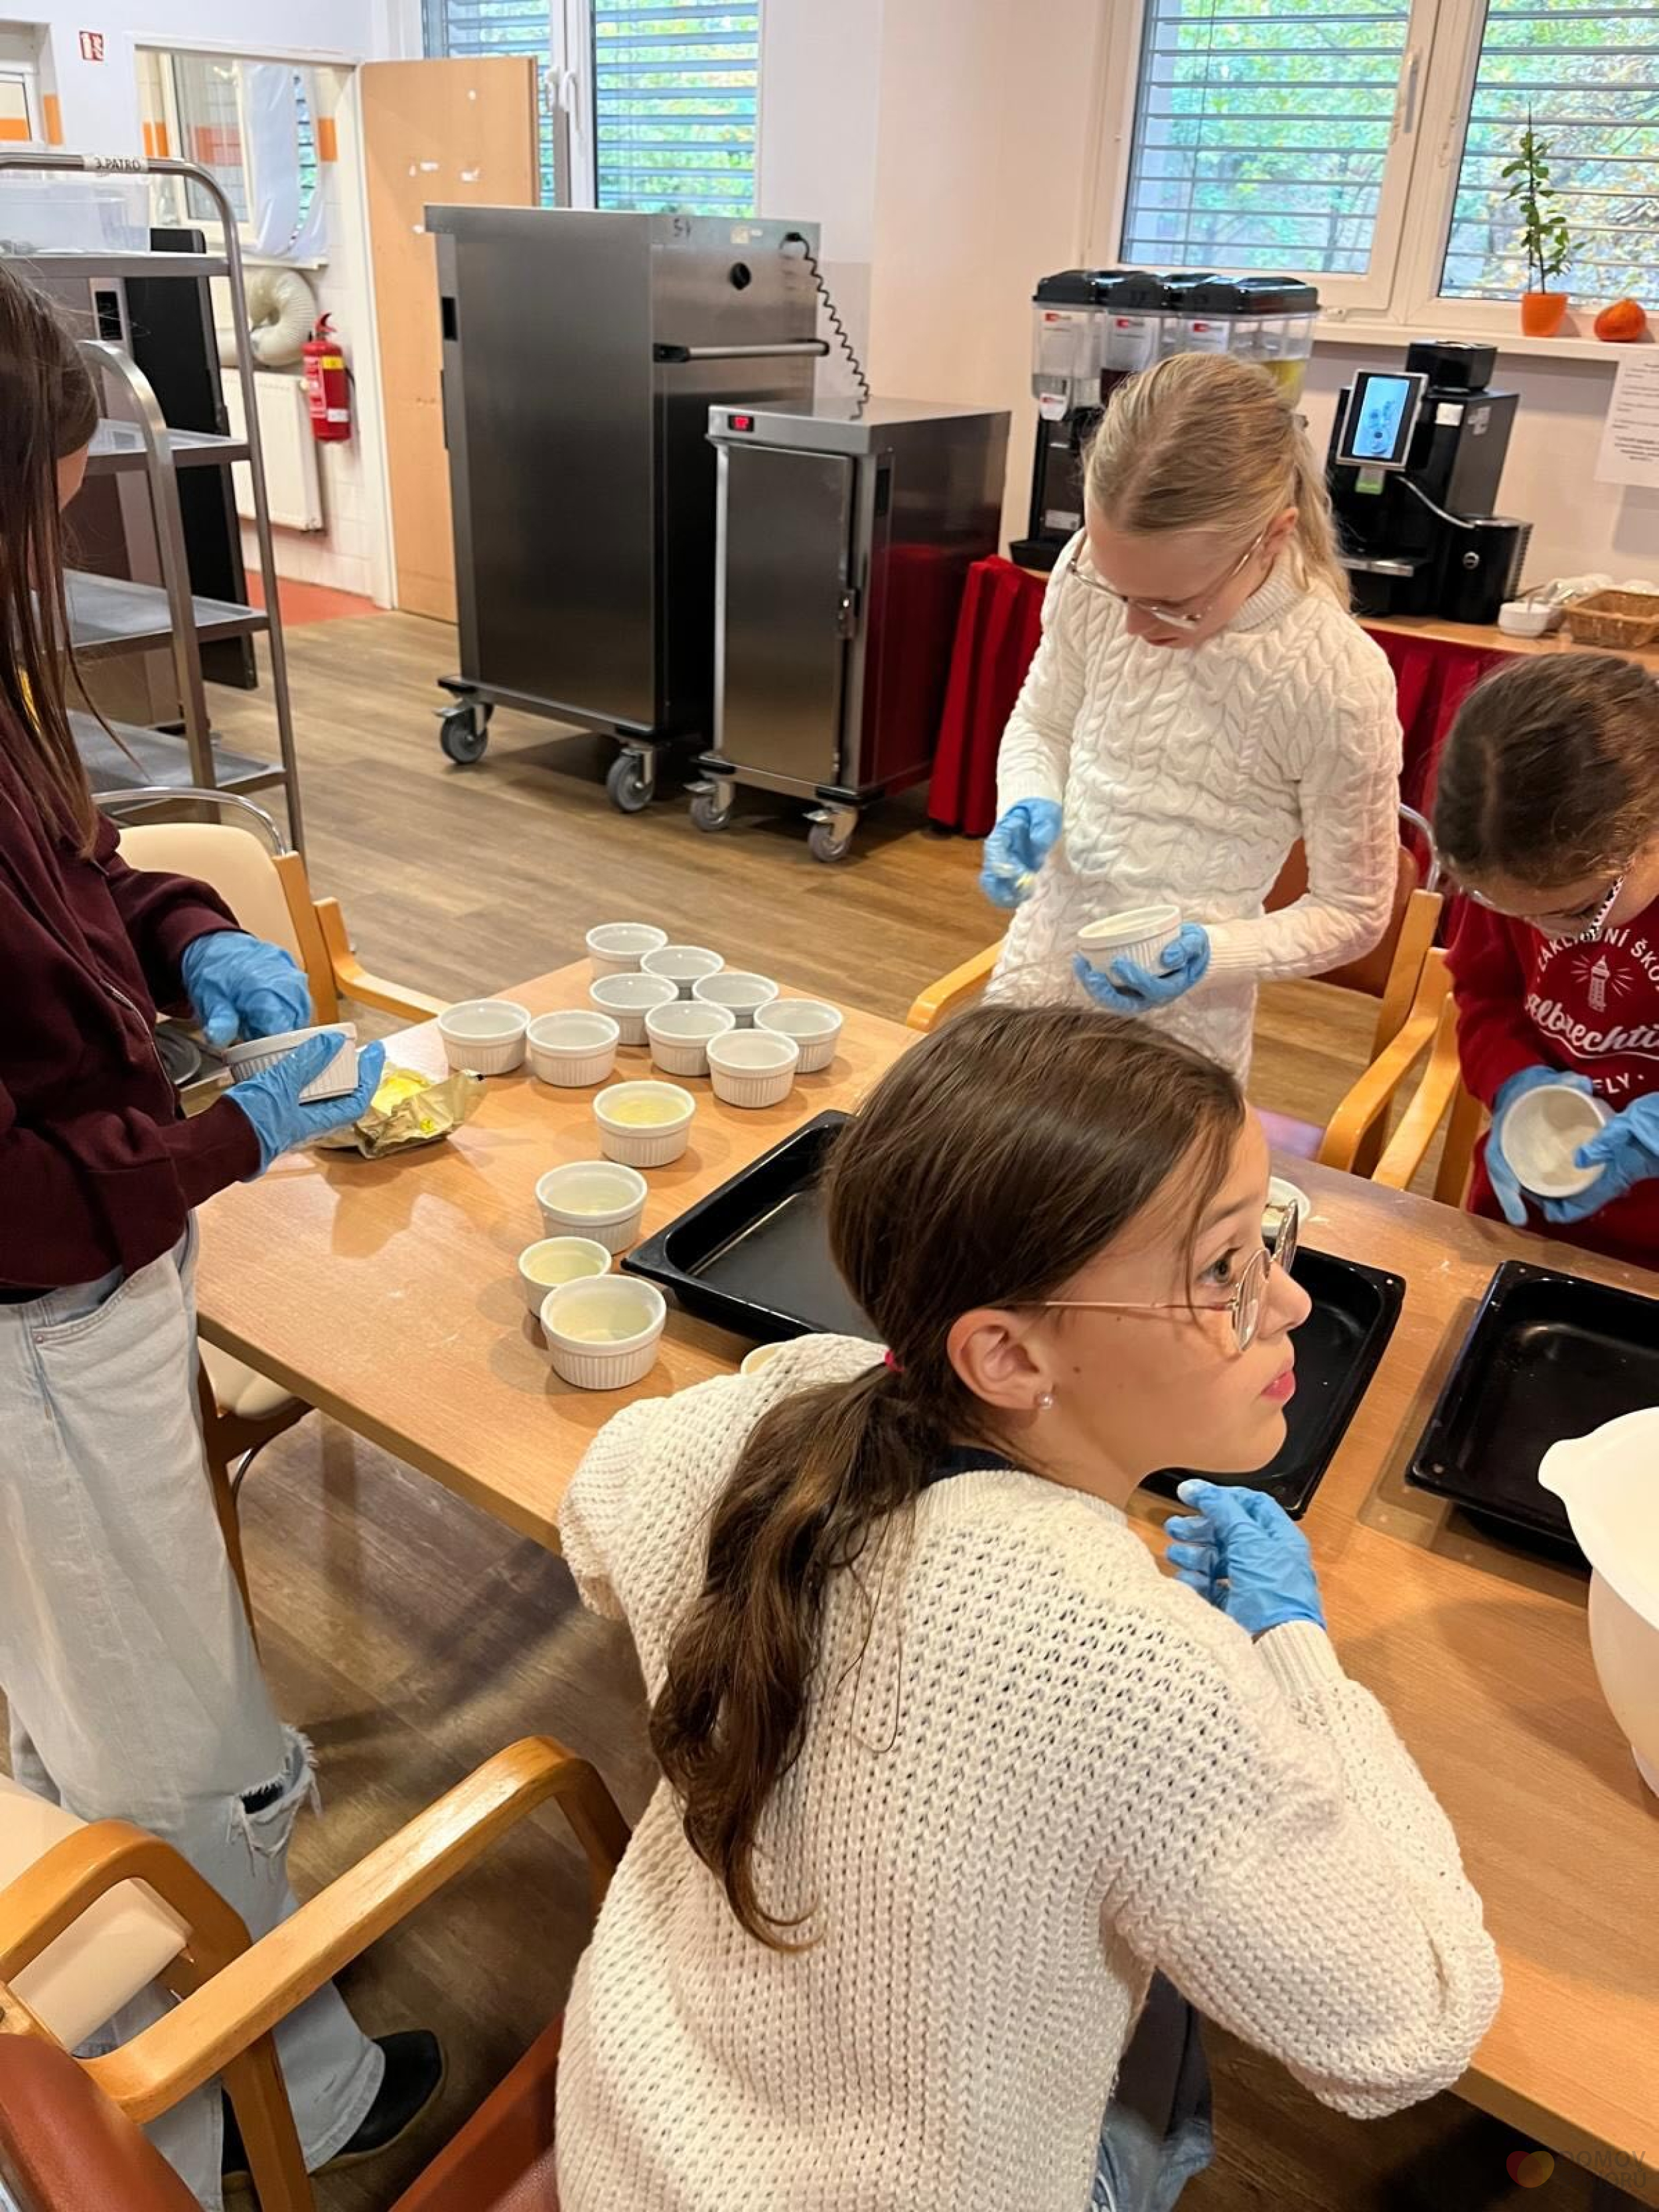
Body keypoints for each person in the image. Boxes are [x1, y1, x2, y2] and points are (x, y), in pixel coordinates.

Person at [554, 1005, 1501, 2212]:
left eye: (1267, 1239)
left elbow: (595, 1520)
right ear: (1005, 1356)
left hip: (631, 2127)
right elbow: (1413, 2027)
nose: (1292, 1306)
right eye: (1223, 1270)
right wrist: (1295, 1654)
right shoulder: (1146, 1674)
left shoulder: (772, 1409)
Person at [0, 265, 439, 2209]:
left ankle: (239, 2085)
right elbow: (20, 1198)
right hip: (39, 1331)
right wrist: (228, 1133)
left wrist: (191, 937)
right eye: (49, 496)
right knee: (168, 1738)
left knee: (100, 1701)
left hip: (83, 1305)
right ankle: (210, 2138)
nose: (64, 532)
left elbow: (83, 873)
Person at [979, 352, 1402, 1084]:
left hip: (1183, 1031)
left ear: (1273, 537)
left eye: (1172, 605)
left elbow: (1354, 911)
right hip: (1038, 968)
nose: (1135, 626)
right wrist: (1026, 798)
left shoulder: (1335, 678)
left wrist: (1215, 953)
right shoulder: (1090, 570)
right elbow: (1044, 724)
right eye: (1119, 592)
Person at [1434, 651, 1659, 1267]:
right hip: (1528, 1212)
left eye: (1577, 911)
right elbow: (1484, 994)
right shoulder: (1508, 853)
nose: (1541, 931)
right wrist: (1512, 1079)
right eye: (1504, 907)